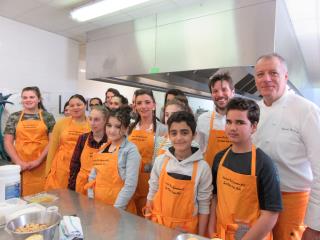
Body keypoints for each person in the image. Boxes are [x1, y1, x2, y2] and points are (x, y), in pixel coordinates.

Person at [252, 53, 320, 240]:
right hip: (258, 197)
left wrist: (316, 225)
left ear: (286, 77)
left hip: (293, 201)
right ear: (255, 79)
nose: (266, 79)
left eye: (273, 73)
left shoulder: (306, 110)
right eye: (260, 74)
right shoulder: (254, 110)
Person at [208, 97, 282, 240]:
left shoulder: (264, 164)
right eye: (229, 122)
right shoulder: (219, 158)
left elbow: (271, 215)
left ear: (253, 127)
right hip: (220, 235)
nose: (232, 127)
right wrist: (212, 232)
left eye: (240, 122)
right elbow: (215, 198)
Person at [144, 111, 212, 236]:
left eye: (184, 132)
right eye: (174, 133)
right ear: (169, 135)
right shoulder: (161, 161)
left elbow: (204, 206)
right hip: (158, 226)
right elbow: (152, 192)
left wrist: (200, 237)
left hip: (186, 232)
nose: (179, 138)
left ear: (194, 135)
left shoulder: (203, 168)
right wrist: (147, 224)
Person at [85, 106, 141, 213]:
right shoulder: (103, 147)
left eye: (117, 127)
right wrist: (92, 201)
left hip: (119, 210)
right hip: (99, 208)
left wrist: (115, 210)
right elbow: (92, 177)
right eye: (109, 125)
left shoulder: (130, 151)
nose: (111, 130)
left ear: (126, 129)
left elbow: (130, 185)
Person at [4, 86, 55, 196]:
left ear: (39, 99)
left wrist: (38, 161)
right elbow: (7, 141)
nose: (28, 100)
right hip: (20, 164)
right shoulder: (14, 117)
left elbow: (52, 141)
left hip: (42, 164)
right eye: (25, 97)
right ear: (21, 100)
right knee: (20, 197)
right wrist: (18, 162)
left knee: (42, 197)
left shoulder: (48, 117)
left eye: (32, 97)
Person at [128, 89, 167, 216]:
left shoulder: (163, 130)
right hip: (130, 182)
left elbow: (163, 158)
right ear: (135, 106)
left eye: (147, 102)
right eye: (139, 103)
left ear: (154, 105)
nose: (143, 106)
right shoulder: (130, 128)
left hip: (151, 184)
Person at [45, 94, 90, 190]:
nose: (75, 108)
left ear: (85, 105)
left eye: (79, 104)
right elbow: (53, 147)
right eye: (72, 105)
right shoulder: (61, 123)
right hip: (61, 166)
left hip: (82, 167)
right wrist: (48, 171)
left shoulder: (91, 124)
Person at [196, 72, 235, 167]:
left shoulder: (242, 120)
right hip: (208, 174)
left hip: (232, 176)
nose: (220, 94)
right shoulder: (203, 119)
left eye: (224, 89)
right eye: (215, 91)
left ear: (233, 92)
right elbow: (199, 149)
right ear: (211, 94)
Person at [68, 105, 108, 195]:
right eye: (90, 119)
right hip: (82, 184)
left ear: (105, 121)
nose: (92, 123)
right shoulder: (83, 138)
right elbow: (74, 165)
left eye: (96, 120)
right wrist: (71, 187)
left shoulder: (110, 141)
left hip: (102, 185)